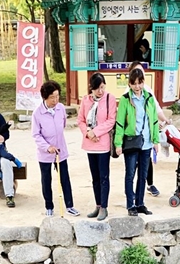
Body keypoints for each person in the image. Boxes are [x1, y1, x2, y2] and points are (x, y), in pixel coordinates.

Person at [114, 67, 160, 216]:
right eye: (134, 84)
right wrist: (118, 143)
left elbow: (153, 120)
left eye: (139, 83)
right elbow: (120, 122)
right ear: (129, 84)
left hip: (146, 142)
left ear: (143, 82)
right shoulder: (125, 99)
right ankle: (130, 205)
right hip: (132, 142)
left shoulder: (149, 98)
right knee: (130, 174)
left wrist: (155, 140)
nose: (137, 87)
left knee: (143, 174)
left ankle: (140, 203)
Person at [31, 80, 79, 217]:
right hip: (45, 153)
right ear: (45, 97)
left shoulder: (61, 108)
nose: (55, 100)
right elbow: (36, 135)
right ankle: (49, 206)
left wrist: (56, 143)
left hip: (60, 150)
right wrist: (47, 147)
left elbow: (62, 124)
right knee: (46, 179)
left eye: (57, 96)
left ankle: (70, 205)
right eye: (52, 97)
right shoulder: (37, 113)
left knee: (65, 177)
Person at [77, 73, 117, 221]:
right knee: (94, 177)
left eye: (102, 87)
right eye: (97, 88)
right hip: (89, 143)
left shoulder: (110, 99)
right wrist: (88, 133)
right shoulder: (85, 101)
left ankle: (104, 207)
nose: (100, 91)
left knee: (103, 176)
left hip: (103, 143)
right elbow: (80, 119)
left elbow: (111, 120)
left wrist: (95, 131)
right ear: (91, 88)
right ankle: (98, 205)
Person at [128, 61, 166, 197]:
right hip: (133, 137)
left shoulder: (148, 92)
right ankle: (130, 191)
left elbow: (156, 109)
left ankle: (149, 185)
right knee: (132, 165)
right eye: (136, 71)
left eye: (141, 72)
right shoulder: (127, 95)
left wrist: (164, 120)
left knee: (146, 161)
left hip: (146, 135)